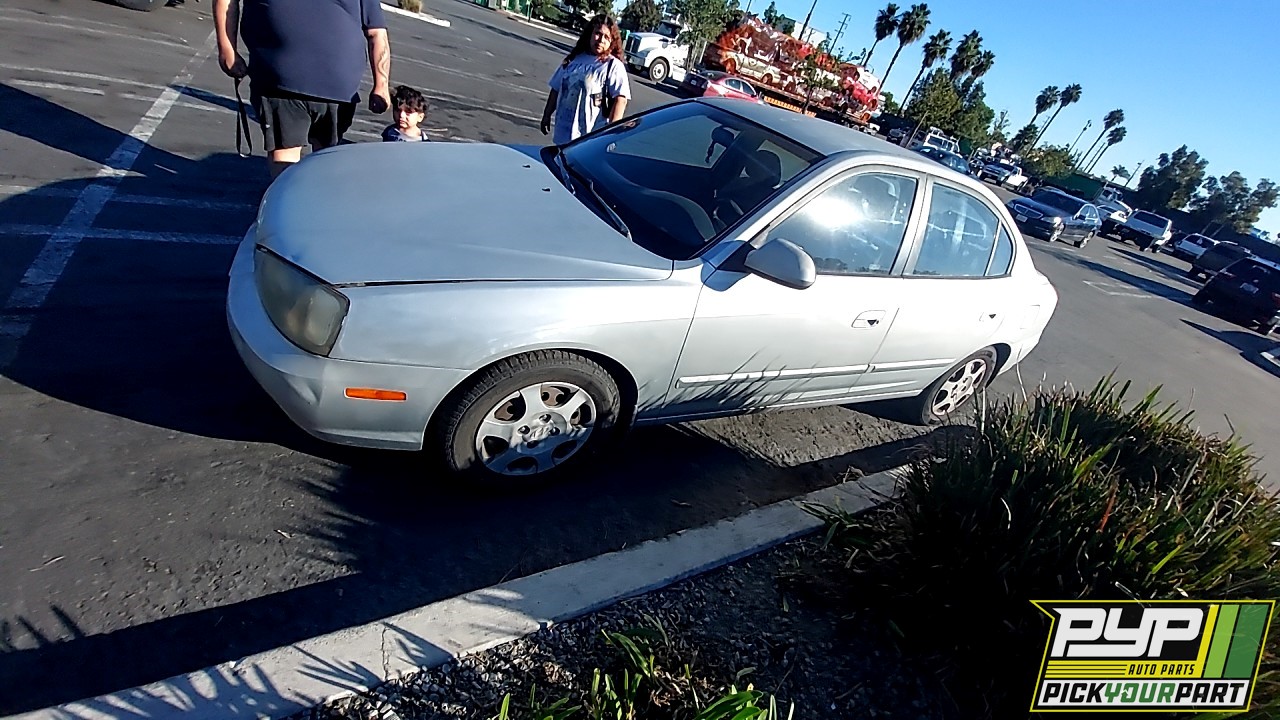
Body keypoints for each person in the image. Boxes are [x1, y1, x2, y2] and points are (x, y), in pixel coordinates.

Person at [213, 0, 392, 179]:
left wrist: (381, 85)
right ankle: (288, 205)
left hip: (338, 87)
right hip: (281, 82)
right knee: (285, 163)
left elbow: (376, 31)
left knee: (326, 162)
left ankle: (315, 204)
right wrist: (227, 49)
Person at [539, 15, 630, 146]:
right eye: (597, 34)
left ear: (612, 41)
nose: (600, 40)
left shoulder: (612, 66)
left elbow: (621, 99)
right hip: (562, 136)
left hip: (589, 140)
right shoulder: (574, 59)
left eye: (606, 37)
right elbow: (556, 89)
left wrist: (611, 133)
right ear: (590, 34)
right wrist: (546, 115)